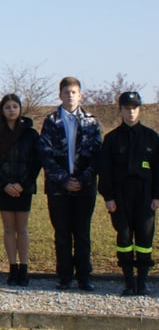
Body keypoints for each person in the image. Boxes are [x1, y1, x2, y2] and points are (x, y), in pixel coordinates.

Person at [38, 77, 103, 291]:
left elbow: (97, 155)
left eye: (74, 92)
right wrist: (64, 180)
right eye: (66, 92)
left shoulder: (91, 122)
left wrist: (82, 180)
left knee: (82, 233)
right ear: (60, 95)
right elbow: (45, 155)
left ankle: (84, 276)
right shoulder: (50, 121)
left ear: (80, 95)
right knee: (62, 234)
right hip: (58, 189)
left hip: (84, 188)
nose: (70, 96)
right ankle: (65, 277)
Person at [99, 92, 159, 296]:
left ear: (139, 109)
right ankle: (127, 280)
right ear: (121, 110)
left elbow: (158, 169)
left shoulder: (151, 137)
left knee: (144, 237)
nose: (131, 112)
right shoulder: (112, 138)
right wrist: (108, 197)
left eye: (134, 108)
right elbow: (105, 171)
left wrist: (157, 196)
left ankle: (142, 281)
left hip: (145, 195)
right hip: (120, 194)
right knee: (124, 237)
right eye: (127, 108)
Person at [0, 94, 41, 287]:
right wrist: (5, 184)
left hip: (23, 188)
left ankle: (24, 268)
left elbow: (36, 162)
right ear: (2, 110)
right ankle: (12, 267)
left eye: (15, 106)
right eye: (8, 107)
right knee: (8, 228)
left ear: (20, 109)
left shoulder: (30, 134)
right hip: (3, 188)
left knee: (22, 229)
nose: (11, 110)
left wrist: (22, 184)